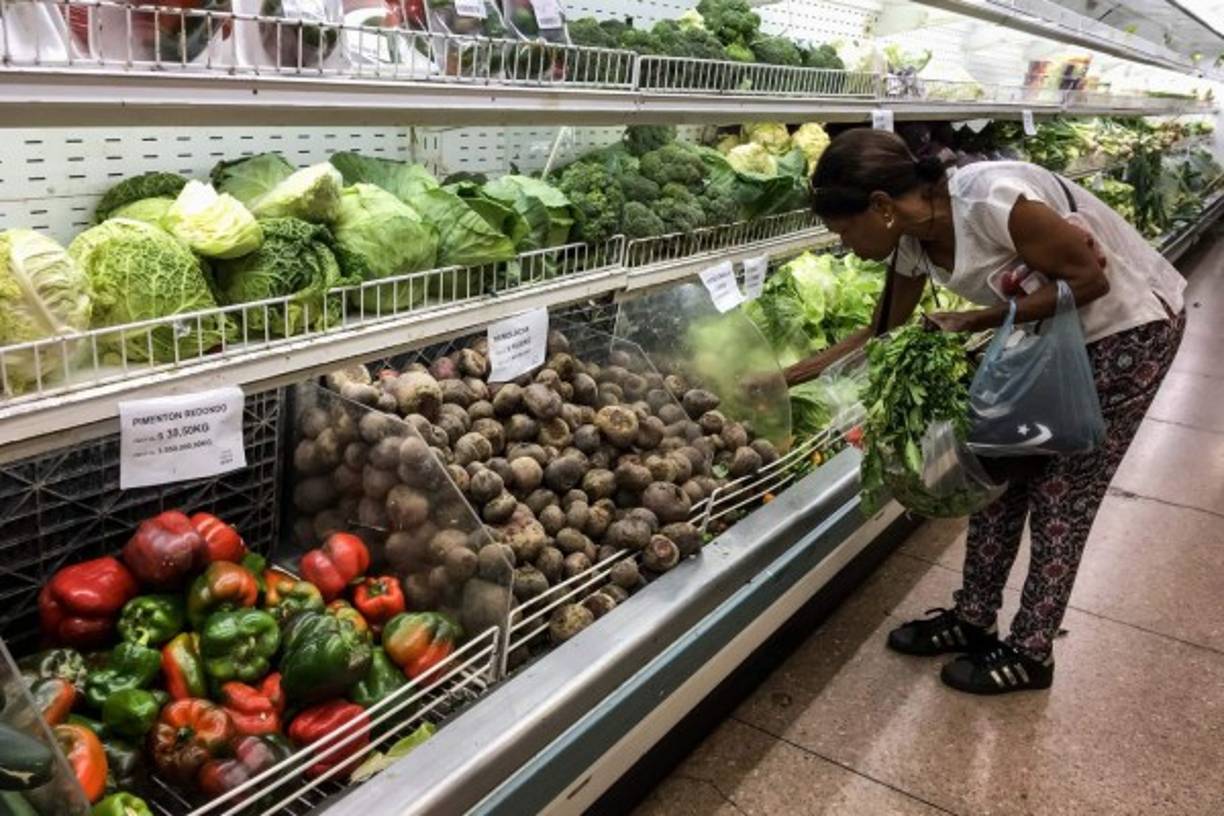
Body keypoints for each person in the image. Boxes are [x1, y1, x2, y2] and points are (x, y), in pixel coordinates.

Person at [794, 128, 1186, 695]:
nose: (844, 245)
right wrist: (785, 380)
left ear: (879, 207)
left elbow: (1089, 280)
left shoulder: (991, 200)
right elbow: (882, 331)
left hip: (1126, 333)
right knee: (997, 471)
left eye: (844, 230)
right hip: (1045, 338)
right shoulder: (910, 238)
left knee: (1062, 492)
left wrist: (975, 319)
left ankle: (1031, 652)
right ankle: (974, 616)